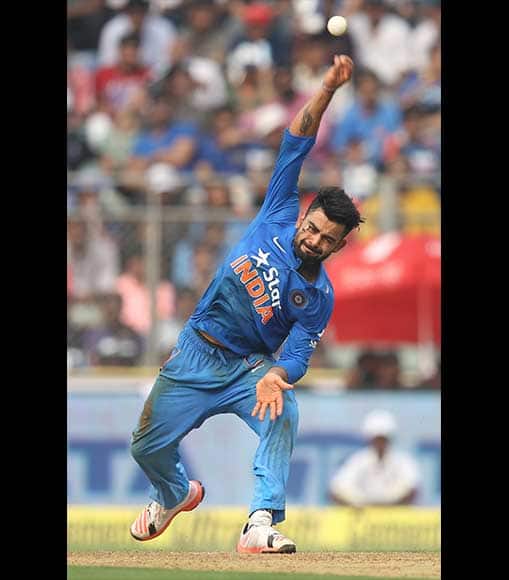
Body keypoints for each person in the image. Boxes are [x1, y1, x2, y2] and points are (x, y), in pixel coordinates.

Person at [128, 55, 361, 555]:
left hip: (247, 370)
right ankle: (174, 494)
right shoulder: (278, 210)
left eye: (327, 240)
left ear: (338, 247)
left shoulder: (319, 297)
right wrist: (325, 89)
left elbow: (298, 354)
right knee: (145, 446)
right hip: (196, 350)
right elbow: (296, 143)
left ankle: (260, 524)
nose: (314, 240)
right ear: (304, 217)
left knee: (283, 412)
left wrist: (279, 376)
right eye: (313, 228)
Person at [328, 410, 421, 507]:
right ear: (370, 439)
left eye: (383, 439)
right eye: (377, 439)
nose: (380, 443)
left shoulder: (403, 461)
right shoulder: (359, 460)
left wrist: (389, 508)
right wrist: (358, 506)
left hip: (397, 517)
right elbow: (336, 490)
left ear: (390, 439)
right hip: (363, 514)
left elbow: (413, 490)